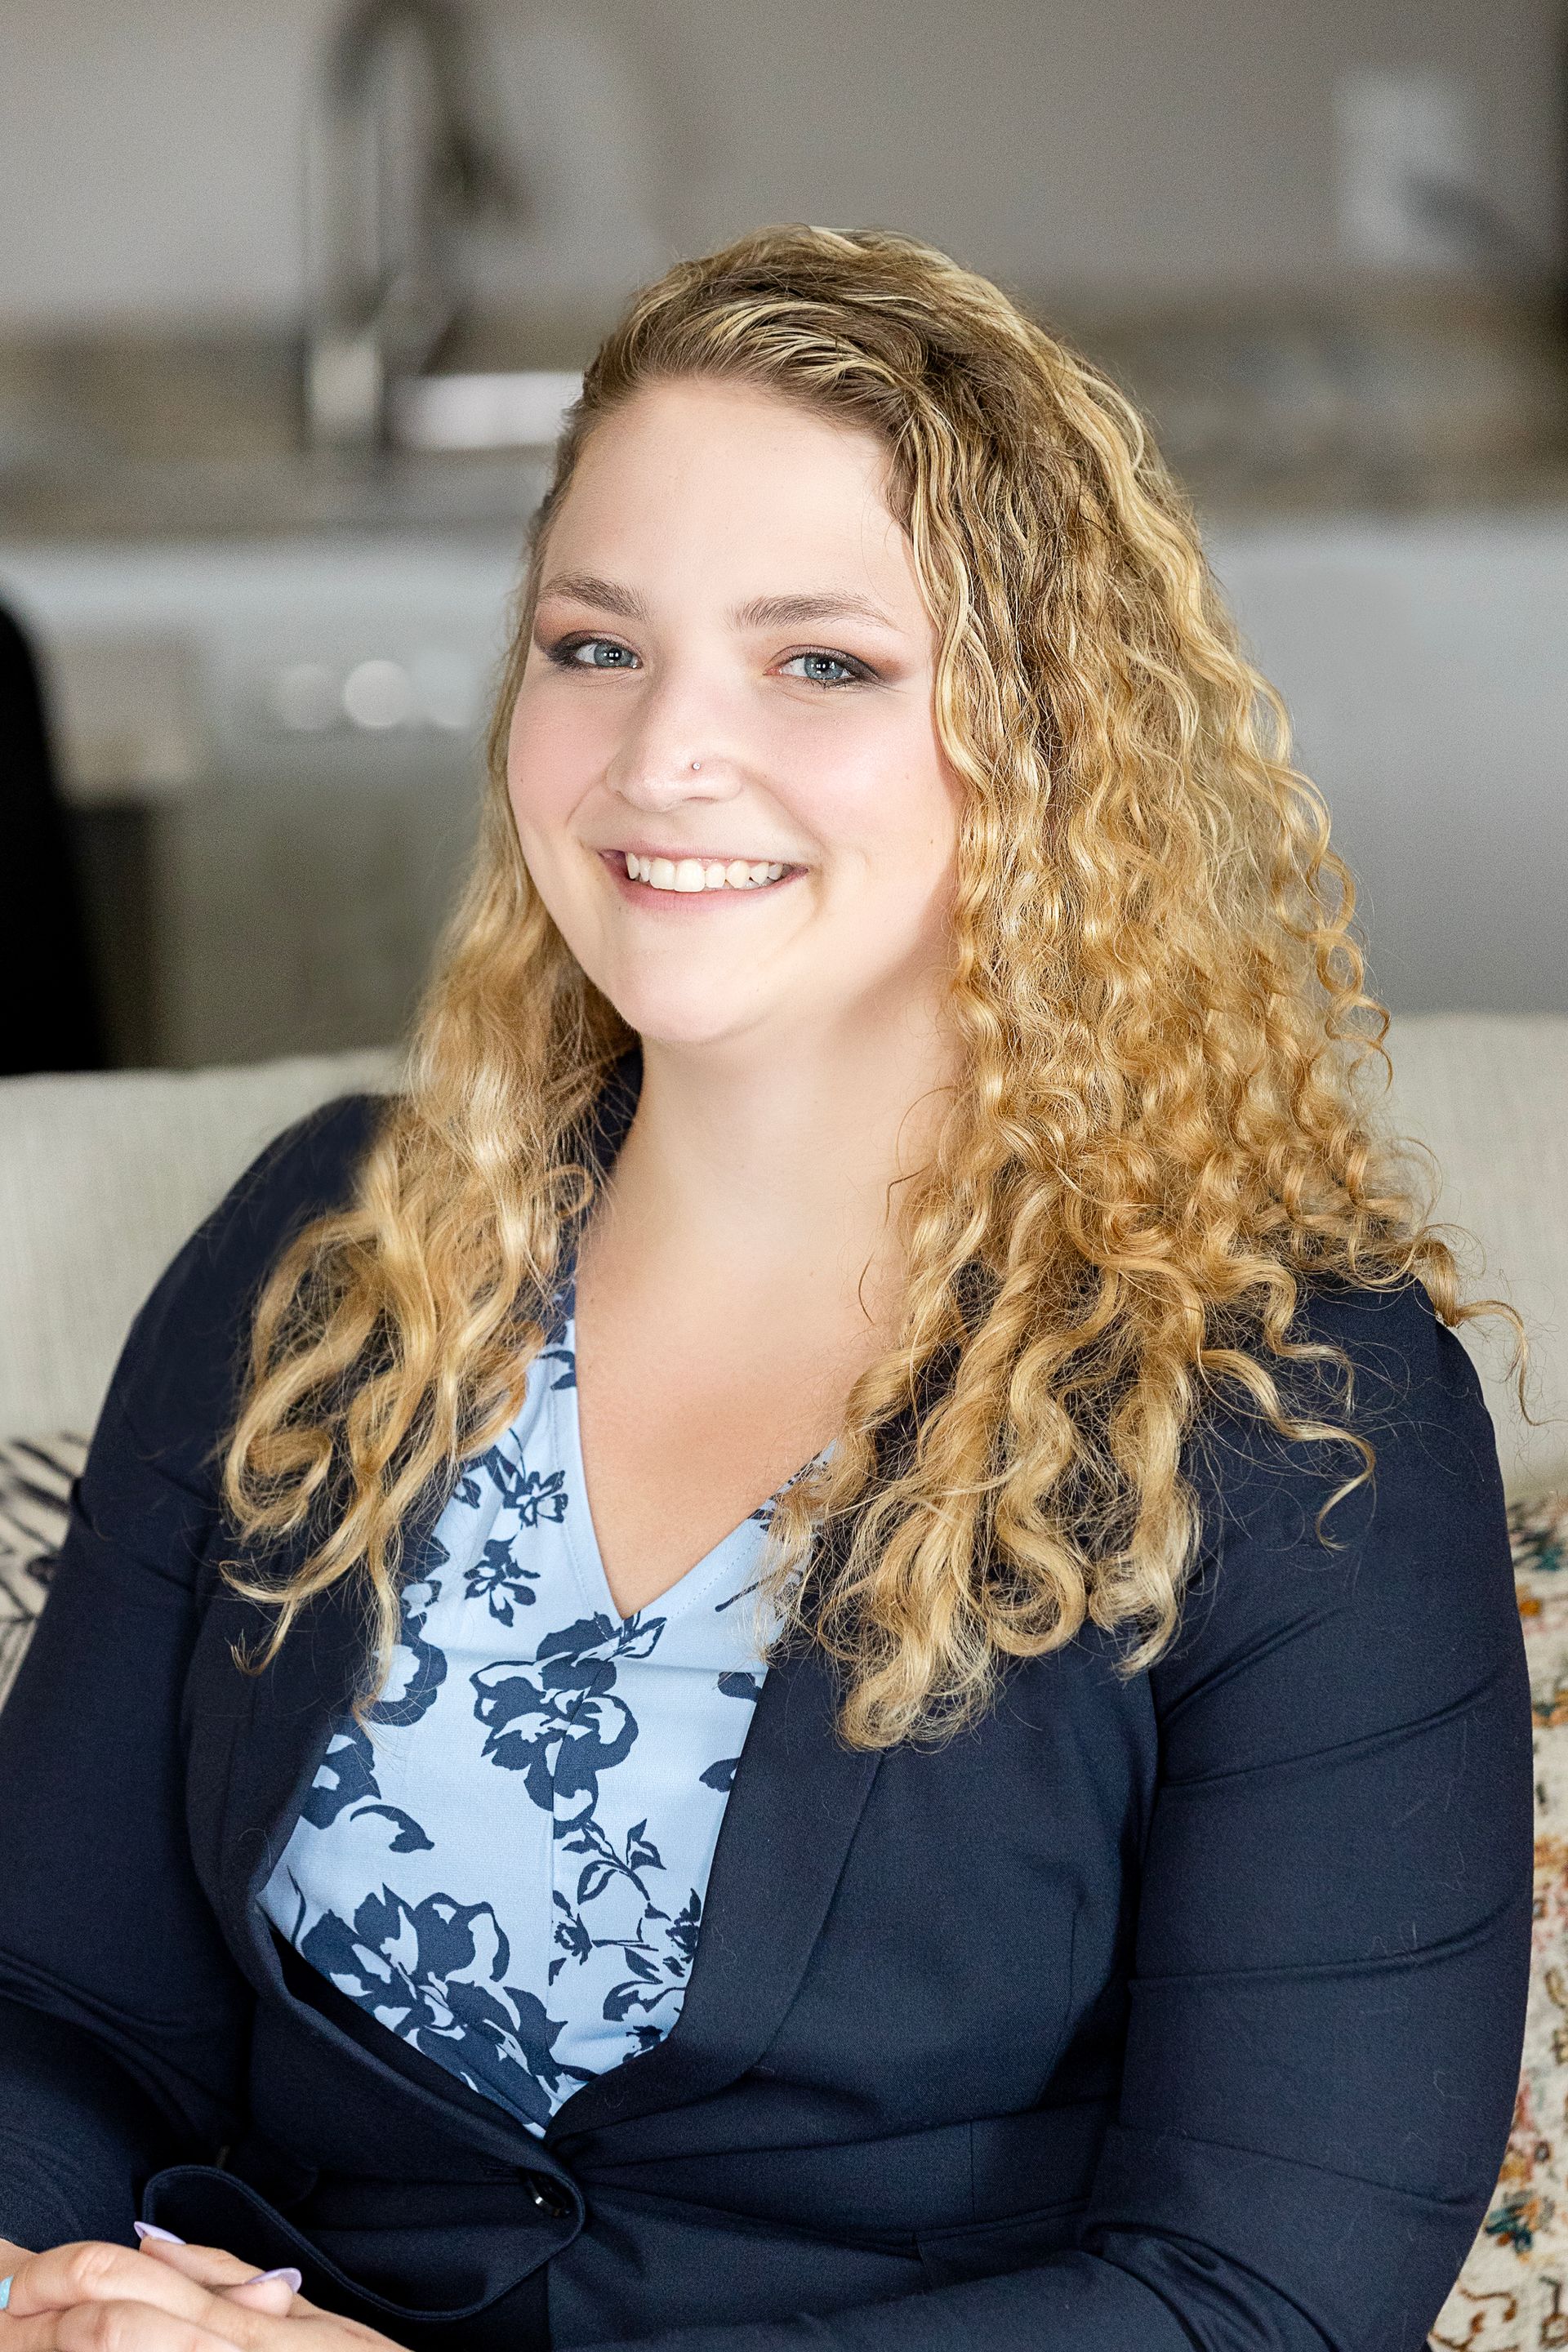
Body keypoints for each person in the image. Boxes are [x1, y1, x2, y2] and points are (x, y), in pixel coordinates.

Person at [0, 225, 1535, 2352]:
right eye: (593, 646)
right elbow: (64, 2010)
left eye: (820, 663)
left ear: (1044, 746)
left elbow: (1259, 2297)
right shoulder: (329, 1254)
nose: (658, 763)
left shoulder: (1289, 1411)